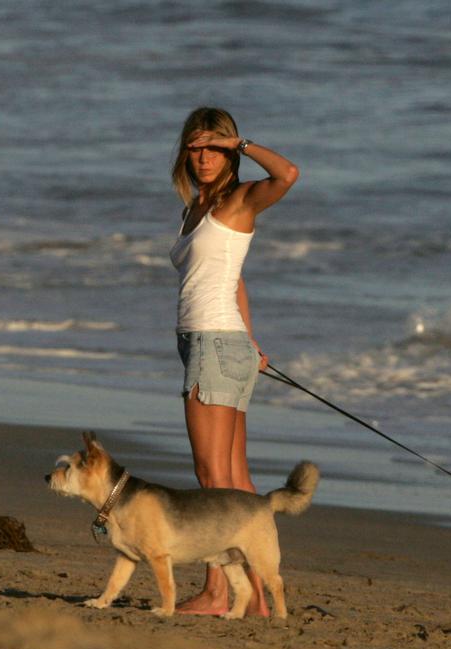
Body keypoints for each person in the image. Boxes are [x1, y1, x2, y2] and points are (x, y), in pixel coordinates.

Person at [169, 107, 299, 616]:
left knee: (213, 480)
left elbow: (287, 174)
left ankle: (218, 592)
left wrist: (241, 143)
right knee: (237, 482)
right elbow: (234, 278)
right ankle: (258, 599)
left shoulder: (240, 198)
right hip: (221, 343)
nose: (204, 158)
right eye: (196, 149)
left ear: (229, 152)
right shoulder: (196, 207)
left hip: (213, 345)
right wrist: (250, 339)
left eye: (214, 148)